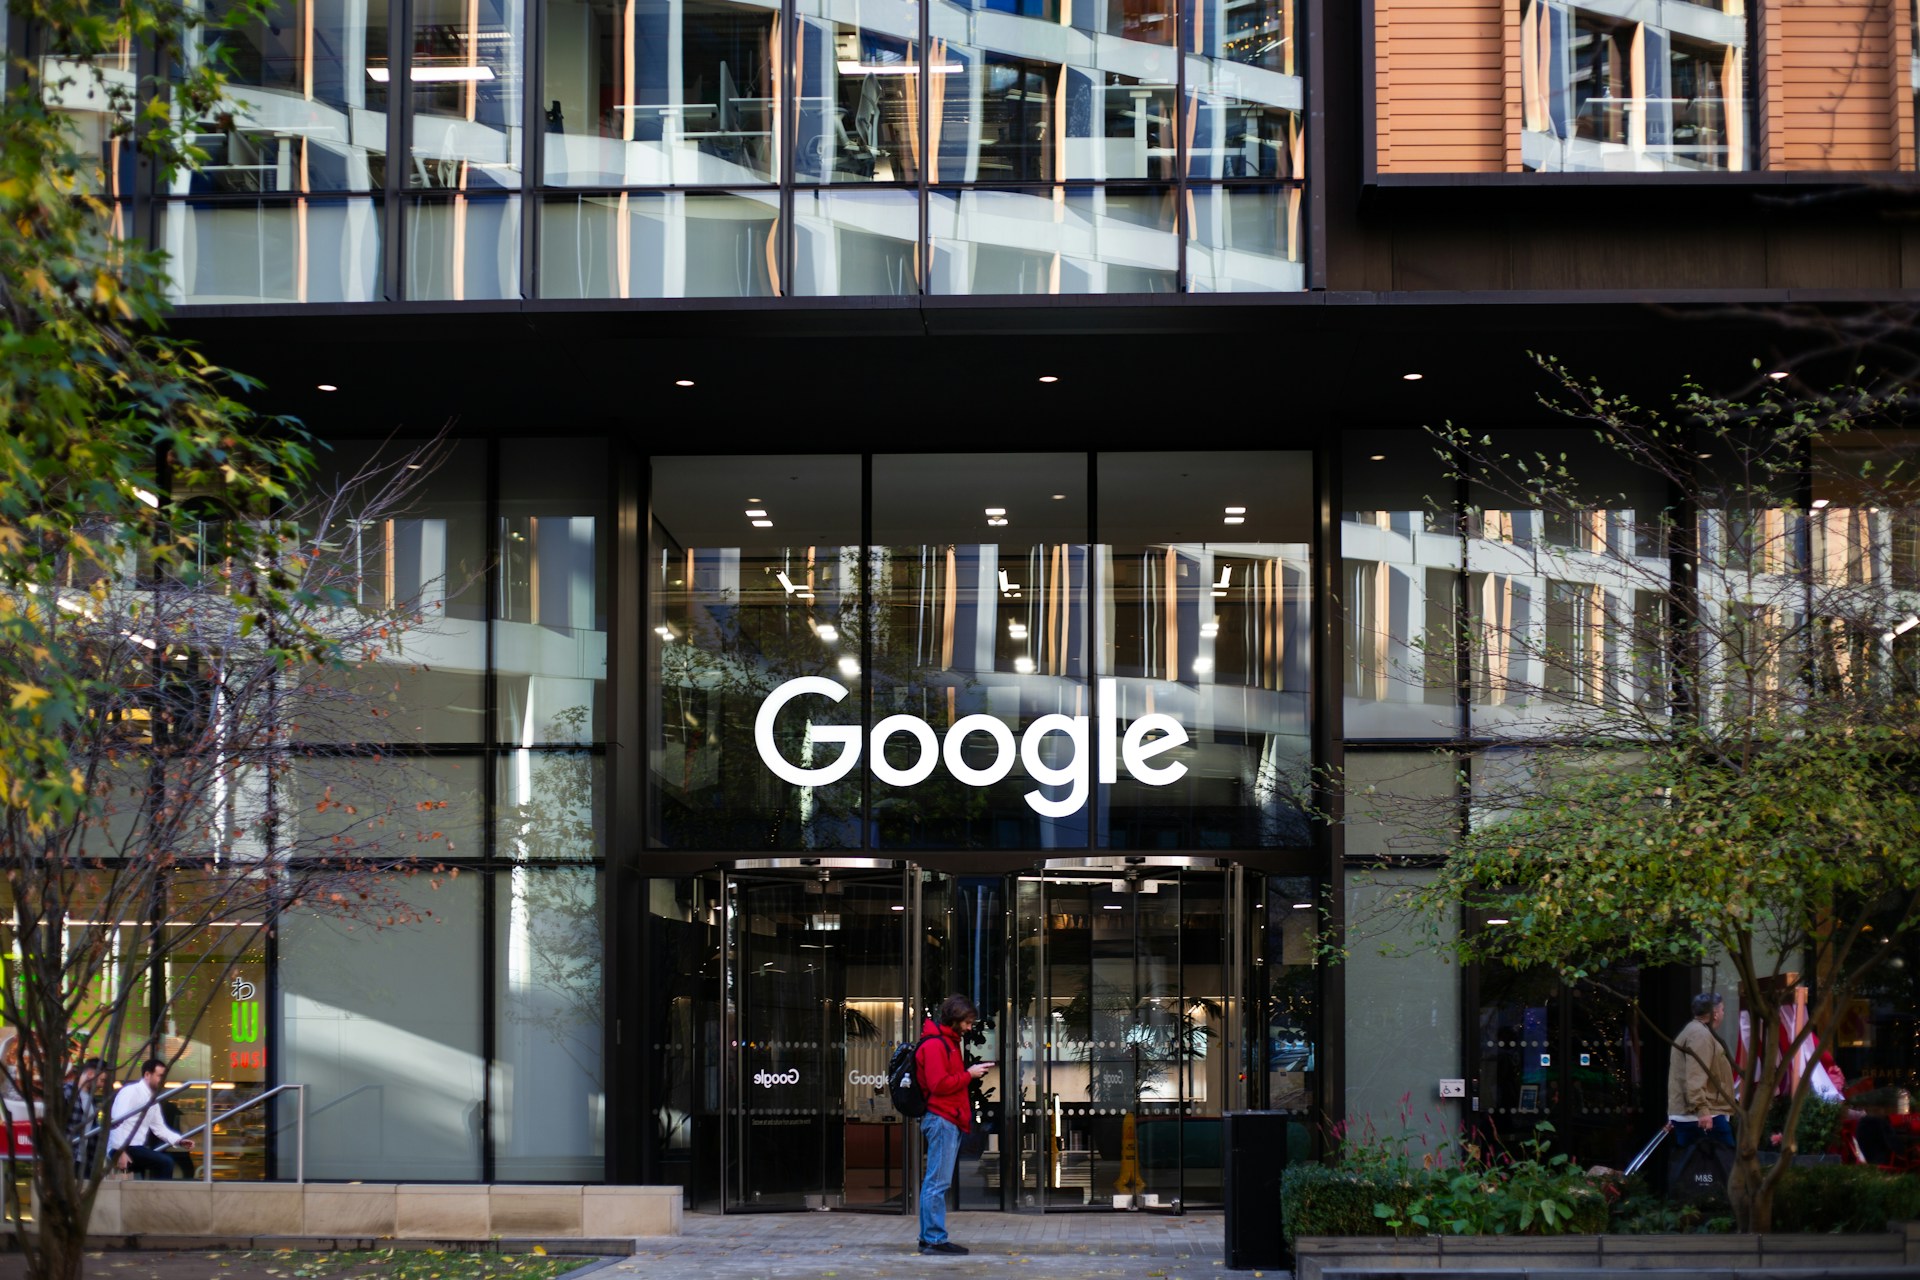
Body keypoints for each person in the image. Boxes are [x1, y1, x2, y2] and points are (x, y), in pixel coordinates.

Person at [916, 995, 992, 1256]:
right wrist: (968, 1075)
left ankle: (930, 1237)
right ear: (955, 1018)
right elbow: (939, 1085)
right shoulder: (936, 1045)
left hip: (947, 1119)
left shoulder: (948, 1042)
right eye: (968, 1022)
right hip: (942, 1119)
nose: (970, 1027)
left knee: (936, 1181)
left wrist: (966, 1073)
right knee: (937, 1183)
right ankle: (934, 1239)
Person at [1668, 991, 1737, 1150]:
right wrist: (1702, 1110)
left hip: (1692, 1114)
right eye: (1723, 1010)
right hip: (1703, 1116)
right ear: (1715, 1014)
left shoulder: (1692, 1031)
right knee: (1726, 1167)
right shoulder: (1700, 1035)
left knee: (1695, 1170)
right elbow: (1695, 1075)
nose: (1723, 1013)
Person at [108, 1058, 193, 1179]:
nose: (163, 1080)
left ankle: (155, 1195)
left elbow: (160, 1128)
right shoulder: (130, 1092)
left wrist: (179, 1140)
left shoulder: (153, 1101)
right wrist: (120, 1152)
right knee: (165, 1162)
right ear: (147, 1075)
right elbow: (116, 1122)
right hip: (121, 1148)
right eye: (160, 1076)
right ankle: (159, 1196)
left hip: (136, 1148)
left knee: (161, 1162)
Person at [63, 1057, 104, 1173]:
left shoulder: (92, 1100)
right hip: (67, 1156)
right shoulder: (67, 1092)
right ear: (90, 1074)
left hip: (84, 1159)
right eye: (102, 1080)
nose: (101, 1085)